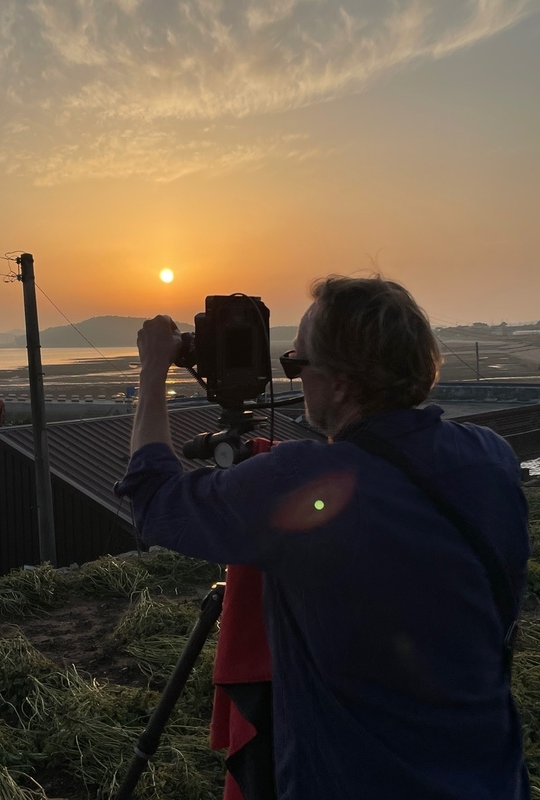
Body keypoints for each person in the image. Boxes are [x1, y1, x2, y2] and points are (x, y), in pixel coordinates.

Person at [115, 275, 530, 800]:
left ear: (339, 383)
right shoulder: (489, 459)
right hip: (491, 779)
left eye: (298, 365)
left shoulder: (300, 483)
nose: (296, 379)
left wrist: (153, 370)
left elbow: (153, 499)